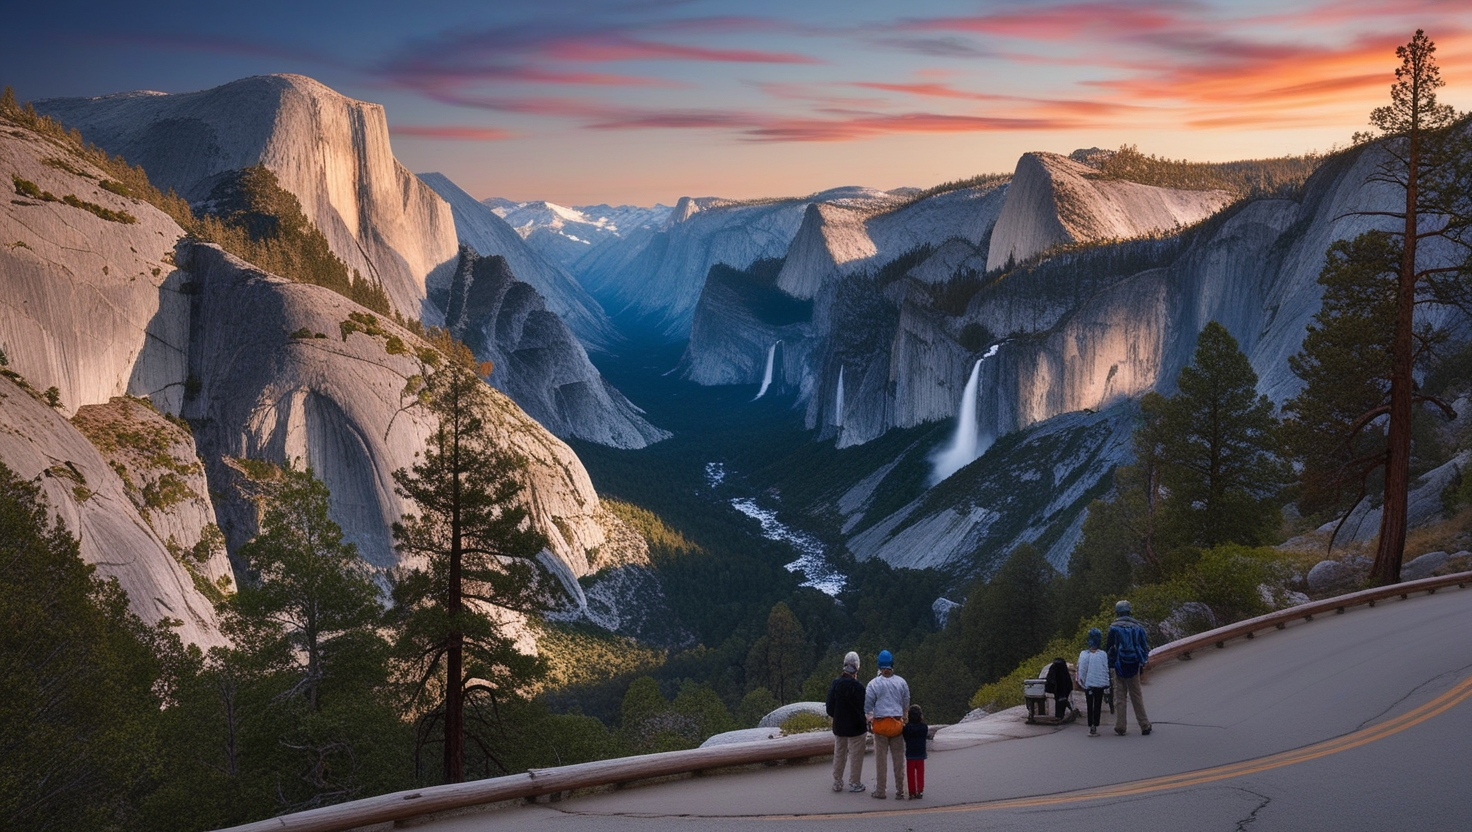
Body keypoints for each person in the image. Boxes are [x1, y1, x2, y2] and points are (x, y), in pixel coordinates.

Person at [864, 649, 910, 800]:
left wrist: (870, 721)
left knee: (881, 761)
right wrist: (904, 717)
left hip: (881, 726)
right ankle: (900, 790)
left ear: (879, 665)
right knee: (898, 759)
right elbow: (906, 702)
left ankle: (881, 791)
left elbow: (868, 707)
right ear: (892, 664)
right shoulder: (901, 682)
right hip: (897, 725)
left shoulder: (873, 684)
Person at [1106, 600, 1153, 736]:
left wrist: (1111, 663)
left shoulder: (1113, 627)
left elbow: (1109, 647)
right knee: (1136, 695)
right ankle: (1144, 725)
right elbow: (1144, 646)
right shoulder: (1138, 627)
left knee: (1120, 696)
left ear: (1118, 612)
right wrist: (1142, 662)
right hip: (1134, 664)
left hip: (1119, 665)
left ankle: (1121, 726)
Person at [826, 651, 867, 793]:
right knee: (856, 756)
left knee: (839, 754)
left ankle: (837, 781)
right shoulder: (859, 687)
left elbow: (829, 708)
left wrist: (837, 716)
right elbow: (865, 708)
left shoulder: (836, 684)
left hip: (840, 726)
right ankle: (855, 783)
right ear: (857, 667)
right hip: (856, 727)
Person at [1075, 628, 1110, 736]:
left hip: (1088, 685)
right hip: (1099, 685)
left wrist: (1082, 683)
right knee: (1098, 704)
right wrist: (1107, 685)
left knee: (1090, 704)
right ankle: (1096, 724)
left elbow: (1081, 670)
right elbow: (1105, 669)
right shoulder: (1103, 654)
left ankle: (1091, 725)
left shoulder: (1083, 654)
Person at [901, 704, 928, 800]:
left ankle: (912, 792)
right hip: (921, 753)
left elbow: (905, 738)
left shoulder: (907, 728)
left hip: (910, 754)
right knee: (920, 773)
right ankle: (919, 791)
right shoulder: (924, 727)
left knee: (910, 774)